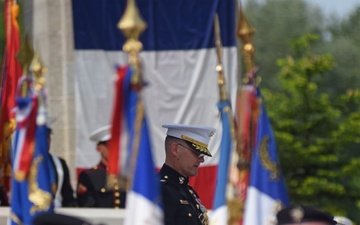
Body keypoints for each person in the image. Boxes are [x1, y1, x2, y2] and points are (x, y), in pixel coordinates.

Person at [159, 123, 216, 225]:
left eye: (203, 154)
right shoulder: (162, 190)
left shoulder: (188, 192)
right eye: (197, 153)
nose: (202, 160)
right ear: (175, 149)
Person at [76, 125, 126, 208]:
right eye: (109, 145)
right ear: (99, 148)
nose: (114, 149)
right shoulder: (90, 176)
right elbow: (87, 207)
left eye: (116, 145)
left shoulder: (127, 174)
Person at [47, 126, 77, 207]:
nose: (46, 141)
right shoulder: (24, 164)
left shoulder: (60, 163)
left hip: (56, 213)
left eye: (48, 137)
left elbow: (67, 196)